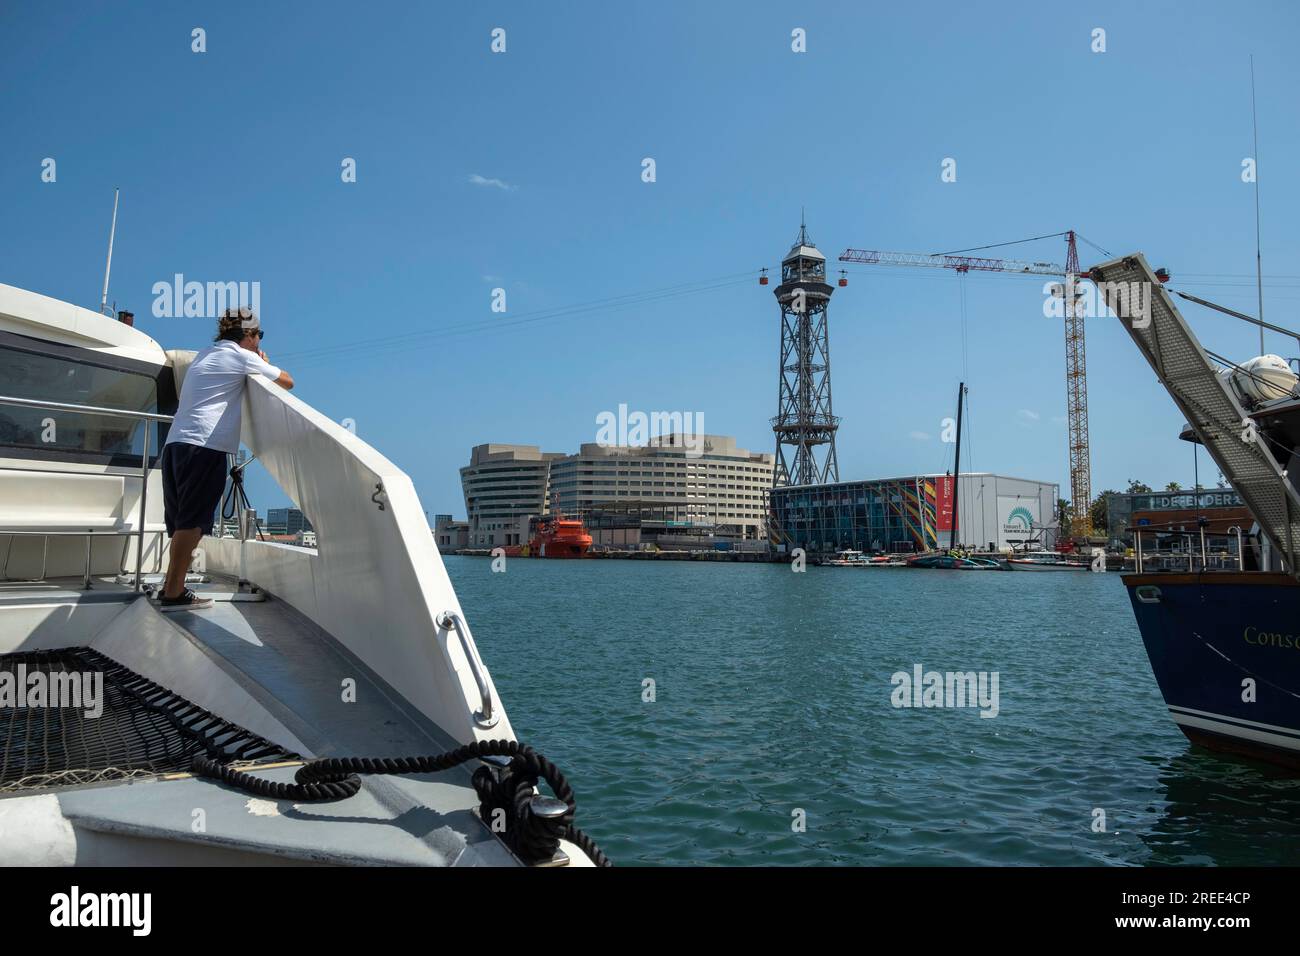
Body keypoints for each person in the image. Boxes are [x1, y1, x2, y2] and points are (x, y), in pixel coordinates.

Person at [158, 307, 294, 610]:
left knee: (181, 524)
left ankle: (171, 584)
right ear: (248, 335)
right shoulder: (240, 356)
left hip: (175, 445)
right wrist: (261, 362)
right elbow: (287, 381)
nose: (260, 340)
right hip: (204, 446)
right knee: (192, 524)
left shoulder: (206, 354)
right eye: (259, 335)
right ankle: (173, 592)